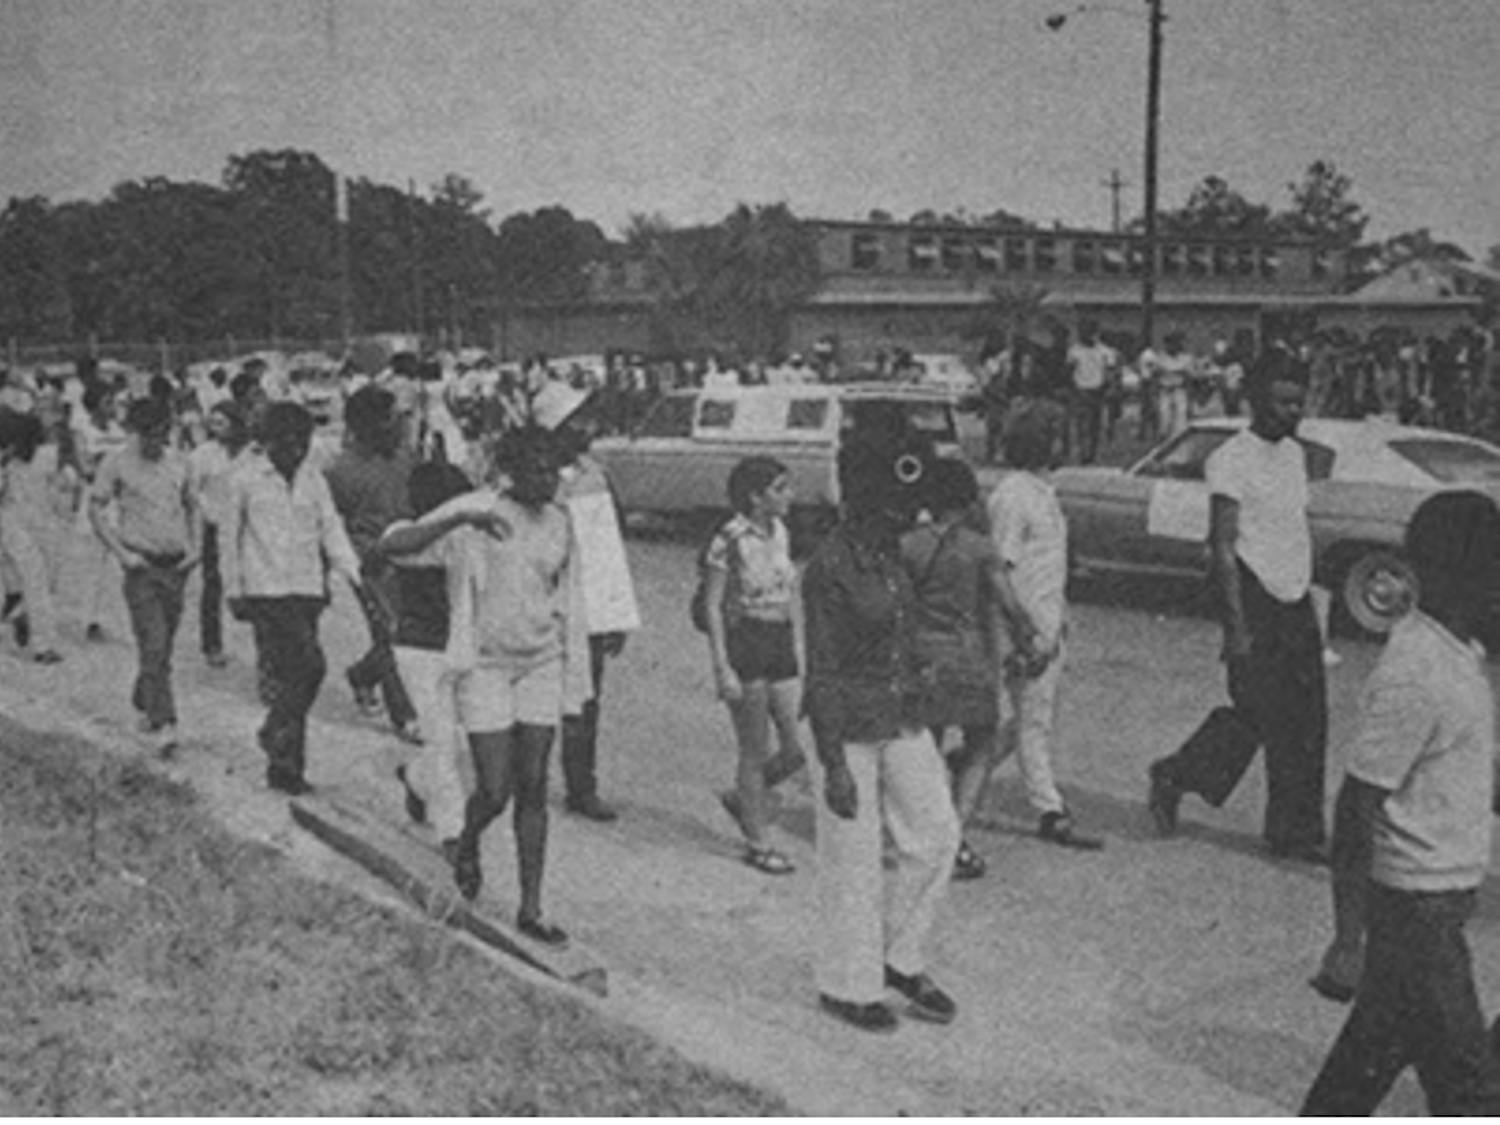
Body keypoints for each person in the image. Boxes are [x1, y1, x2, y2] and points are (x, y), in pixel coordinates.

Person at [1300, 491, 1500, 1115]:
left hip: (1438, 900)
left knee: (1364, 1066)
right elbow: (1358, 806)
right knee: (1472, 1093)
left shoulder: (1455, 652)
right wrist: (1346, 939)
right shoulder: (1417, 671)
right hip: (1417, 911)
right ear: (1443, 574)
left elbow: (1459, 769)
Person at [379, 425, 591, 946]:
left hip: (540, 662)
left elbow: (569, 597)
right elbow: (393, 547)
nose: (549, 481)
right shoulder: (477, 513)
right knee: (494, 789)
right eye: (537, 470)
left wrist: (579, 666)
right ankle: (469, 839)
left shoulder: (561, 523)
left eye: (553, 471)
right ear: (512, 471)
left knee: (535, 784)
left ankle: (532, 907)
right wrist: (459, 517)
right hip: (486, 667)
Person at [803, 431, 960, 1032]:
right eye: (899, 508)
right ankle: (848, 984)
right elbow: (821, 668)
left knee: (937, 834)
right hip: (846, 726)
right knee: (853, 856)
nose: (913, 518)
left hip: (900, 714)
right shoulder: (828, 569)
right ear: (865, 506)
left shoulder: (893, 557)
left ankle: (901, 958)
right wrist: (834, 765)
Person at [1146, 355, 1328, 862]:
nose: (1290, 412)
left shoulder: (1295, 455)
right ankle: (1175, 773)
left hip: (1294, 597)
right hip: (1252, 594)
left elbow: (1293, 530)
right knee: (1258, 713)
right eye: (1280, 402)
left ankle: (1297, 832)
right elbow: (1222, 548)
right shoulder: (1230, 459)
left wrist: (1309, 596)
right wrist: (1236, 629)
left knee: (1309, 720)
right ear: (1254, 401)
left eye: (1297, 403)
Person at [221, 402, 363, 795]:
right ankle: (274, 733)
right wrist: (234, 590)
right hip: (265, 590)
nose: (295, 451)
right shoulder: (243, 478)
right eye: (285, 443)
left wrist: (352, 571)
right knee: (309, 666)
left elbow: (330, 528)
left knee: (291, 678)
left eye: (302, 442)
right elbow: (228, 539)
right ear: (266, 442)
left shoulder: (313, 479)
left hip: (306, 588)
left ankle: (286, 768)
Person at [986, 404, 1103, 851]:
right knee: (1032, 722)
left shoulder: (1043, 492)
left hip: (1049, 625)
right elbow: (1001, 569)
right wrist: (1024, 631)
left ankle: (961, 772)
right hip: (1027, 629)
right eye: (1060, 435)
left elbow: (1047, 567)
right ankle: (1050, 810)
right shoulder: (1013, 496)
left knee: (1025, 719)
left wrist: (1061, 617)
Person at [537, 381, 642, 823]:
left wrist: (614, 615)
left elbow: (606, 550)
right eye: (577, 419)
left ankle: (582, 786)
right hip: (542, 602)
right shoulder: (533, 476)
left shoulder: (595, 475)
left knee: (586, 699)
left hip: (588, 606)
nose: (587, 427)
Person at [899, 458, 1002, 879]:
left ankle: (929, 831)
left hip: (924, 656)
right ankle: (953, 838)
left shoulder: (908, 545)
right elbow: (1004, 605)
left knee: (929, 749)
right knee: (981, 745)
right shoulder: (980, 547)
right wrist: (1026, 639)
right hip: (970, 656)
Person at [704, 455, 807, 875]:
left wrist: (798, 643)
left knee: (796, 749)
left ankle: (744, 798)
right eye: (780, 488)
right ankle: (758, 842)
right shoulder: (728, 538)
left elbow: (788, 593)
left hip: (780, 640)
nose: (790, 496)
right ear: (755, 496)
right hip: (745, 640)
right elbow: (712, 606)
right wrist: (722, 666)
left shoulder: (781, 531)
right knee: (753, 748)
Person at [89, 397, 201, 757]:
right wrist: (122, 554)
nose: (157, 442)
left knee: (163, 644)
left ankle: (145, 693)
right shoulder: (117, 463)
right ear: (136, 432)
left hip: (176, 566)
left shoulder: (179, 463)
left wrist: (196, 549)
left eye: (163, 434)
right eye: (150, 435)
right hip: (141, 567)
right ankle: (166, 722)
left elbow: (193, 505)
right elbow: (96, 509)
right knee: (153, 643)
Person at [382, 459, 478, 849]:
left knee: (462, 742)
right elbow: (391, 546)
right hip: (419, 649)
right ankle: (452, 832)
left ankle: (416, 779)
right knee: (441, 740)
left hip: (461, 647)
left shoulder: (470, 539)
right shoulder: (407, 533)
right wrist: (454, 520)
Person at [324, 385, 420, 742]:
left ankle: (363, 675)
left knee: (406, 630)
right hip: (371, 563)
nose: (398, 424)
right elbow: (333, 524)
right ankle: (404, 715)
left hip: (412, 555)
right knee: (390, 631)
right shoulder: (341, 471)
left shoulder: (404, 458)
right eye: (390, 418)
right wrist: (354, 560)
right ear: (369, 424)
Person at [187, 401, 249, 669]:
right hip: (217, 526)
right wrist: (207, 510)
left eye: (222, 423)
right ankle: (212, 643)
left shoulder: (252, 453)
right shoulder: (203, 455)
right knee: (213, 586)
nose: (216, 428)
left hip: (248, 527)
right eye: (212, 423)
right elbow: (192, 491)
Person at [0, 409, 65, 663]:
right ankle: (43, 645)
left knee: (42, 580)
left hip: (28, 523)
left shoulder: (40, 457)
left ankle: (21, 611)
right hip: (19, 525)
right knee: (38, 580)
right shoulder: (15, 461)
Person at [1065, 321, 1117, 465]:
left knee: (1097, 425)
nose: (1085, 335)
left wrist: (1109, 389)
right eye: (1082, 332)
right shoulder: (1074, 351)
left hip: (1098, 391)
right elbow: (1069, 372)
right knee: (1082, 425)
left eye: (1088, 332)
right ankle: (1082, 454)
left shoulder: (1106, 351)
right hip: (1081, 390)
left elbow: (1110, 372)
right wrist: (1073, 390)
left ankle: (1092, 455)